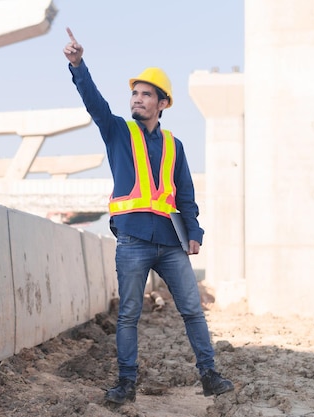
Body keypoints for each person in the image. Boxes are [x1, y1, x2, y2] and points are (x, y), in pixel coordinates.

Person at [63, 27, 234, 405]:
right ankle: (126, 383)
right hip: (133, 239)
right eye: (135, 93)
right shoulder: (117, 131)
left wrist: (195, 233)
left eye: (146, 94)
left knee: (192, 310)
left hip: (171, 243)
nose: (137, 99)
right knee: (128, 315)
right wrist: (78, 65)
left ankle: (209, 374)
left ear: (162, 103)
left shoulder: (175, 145)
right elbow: (95, 103)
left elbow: (185, 194)